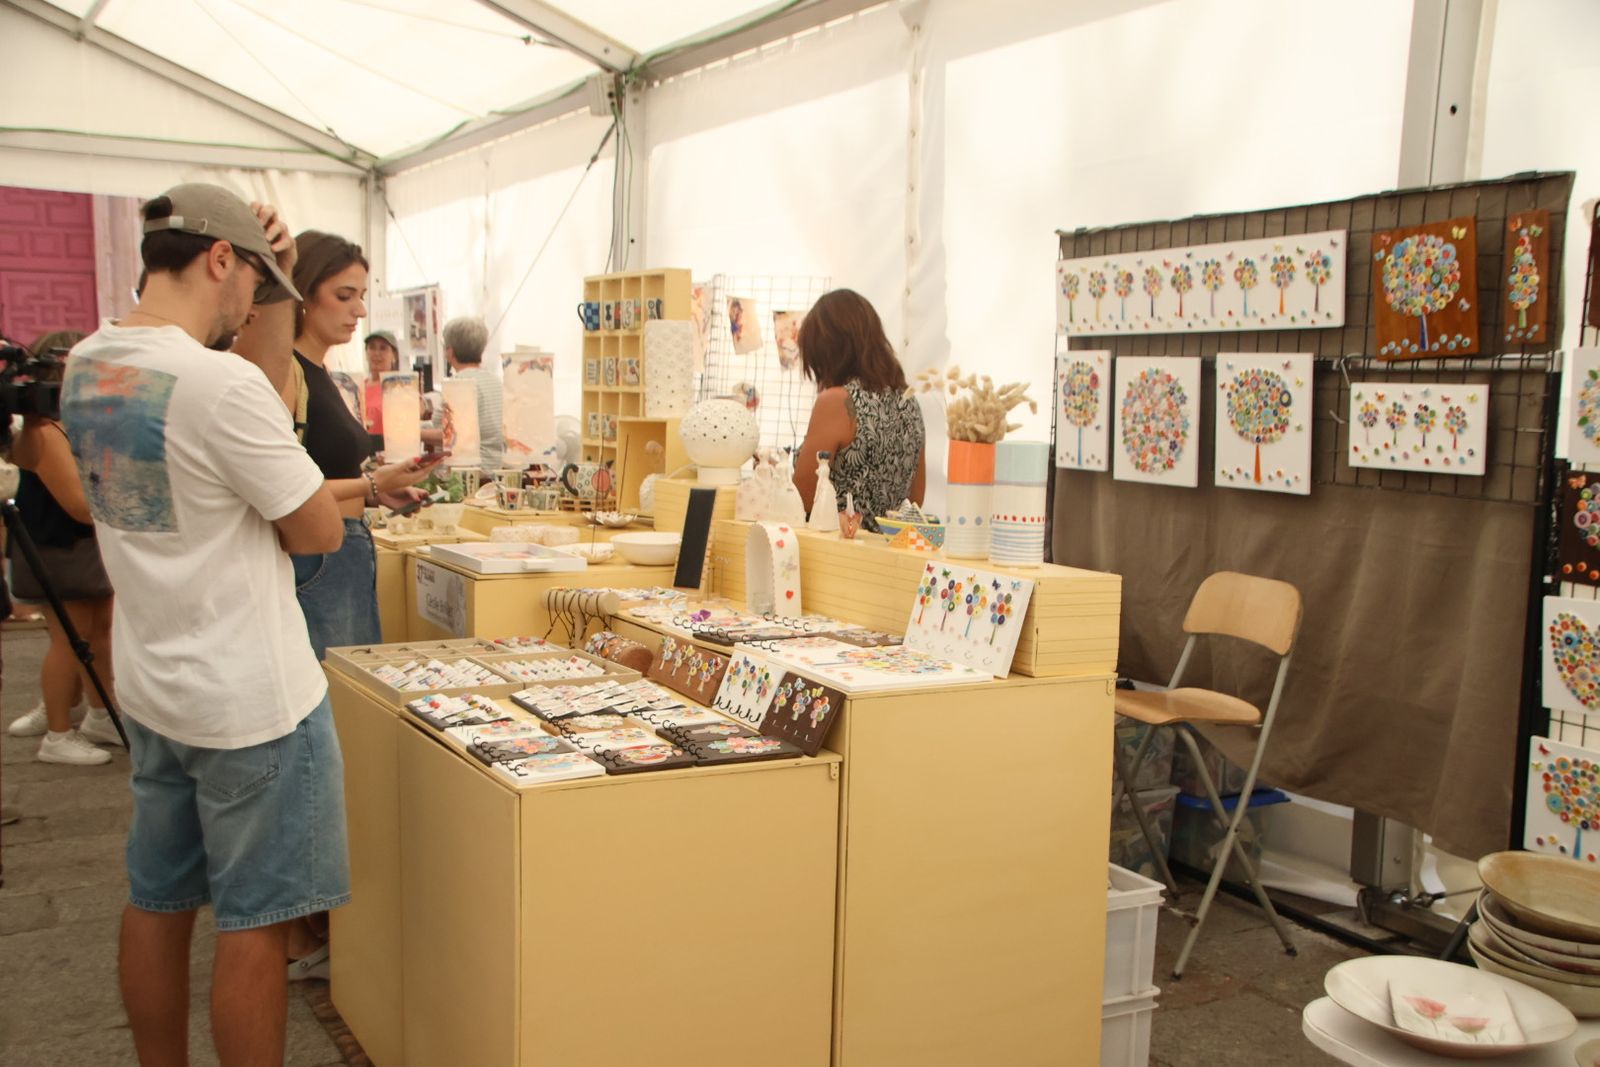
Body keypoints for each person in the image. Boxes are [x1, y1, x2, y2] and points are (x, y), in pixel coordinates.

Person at [60, 183, 344, 1066]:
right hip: (252, 700)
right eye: (252, 284)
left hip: (155, 684)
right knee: (256, 922)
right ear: (220, 258)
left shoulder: (88, 363)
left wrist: (277, 274)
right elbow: (318, 528)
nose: (250, 307)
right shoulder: (219, 384)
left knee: (157, 899)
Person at [234, 232, 443, 661]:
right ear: (302, 293)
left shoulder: (319, 372)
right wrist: (371, 484)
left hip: (341, 548)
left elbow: (318, 472)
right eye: (344, 295)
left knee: (354, 679)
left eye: (361, 296)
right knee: (341, 682)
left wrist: (377, 492)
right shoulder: (287, 373)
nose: (359, 310)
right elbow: (279, 488)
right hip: (317, 557)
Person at [4, 330, 120, 764]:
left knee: (99, 633)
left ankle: (101, 713)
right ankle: (56, 732)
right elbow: (79, 506)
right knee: (70, 639)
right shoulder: (47, 431)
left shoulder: (71, 424)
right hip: (59, 546)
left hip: (84, 547)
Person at [792, 289, 926, 519]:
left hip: (838, 539)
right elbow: (915, 499)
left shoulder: (838, 401)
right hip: (889, 540)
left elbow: (802, 497)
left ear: (827, 351)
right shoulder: (909, 402)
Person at [422, 317, 502, 469]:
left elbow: (453, 436)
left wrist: (412, 434)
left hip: (469, 472)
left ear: (450, 351)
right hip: (496, 467)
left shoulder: (459, 386)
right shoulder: (496, 382)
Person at [362, 329, 400, 433]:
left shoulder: (399, 386)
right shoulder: (358, 387)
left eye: (383, 348)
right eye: (372, 347)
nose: (377, 353)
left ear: (394, 355)